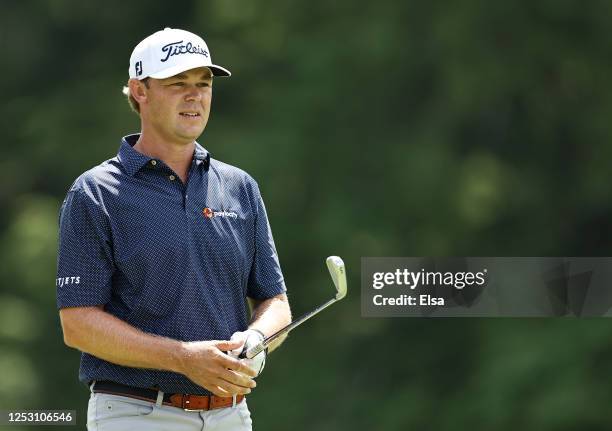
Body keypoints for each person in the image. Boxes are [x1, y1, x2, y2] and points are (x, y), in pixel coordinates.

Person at [56, 27, 292, 431]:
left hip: (231, 414)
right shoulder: (96, 192)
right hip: (136, 413)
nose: (194, 96)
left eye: (202, 84)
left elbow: (275, 303)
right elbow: (78, 324)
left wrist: (257, 339)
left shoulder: (238, 187)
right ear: (139, 91)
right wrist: (183, 357)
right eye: (177, 83)